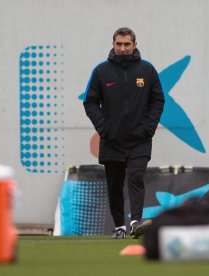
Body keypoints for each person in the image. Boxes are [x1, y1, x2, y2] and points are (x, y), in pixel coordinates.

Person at [83, 27, 165, 239]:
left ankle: (136, 222)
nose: (122, 48)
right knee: (114, 184)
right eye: (118, 44)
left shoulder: (147, 71)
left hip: (140, 140)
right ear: (113, 44)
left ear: (135, 45)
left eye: (126, 44)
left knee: (136, 176)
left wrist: (149, 128)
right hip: (112, 140)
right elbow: (90, 102)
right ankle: (119, 226)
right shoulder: (102, 71)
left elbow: (158, 100)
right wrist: (103, 128)